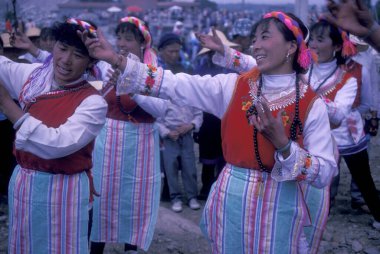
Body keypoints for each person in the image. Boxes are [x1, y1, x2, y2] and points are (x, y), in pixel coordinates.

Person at [80, 11, 337, 253]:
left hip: (281, 203)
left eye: (265, 37)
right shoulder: (232, 87)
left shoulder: (311, 105)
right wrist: (117, 60)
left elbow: (325, 172)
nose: (255, 45)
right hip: (232, 200)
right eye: (255, 38)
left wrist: (284, 145)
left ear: (291, 47)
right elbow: (175, 83)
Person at [0, 19, 108, 254]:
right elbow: (3, 66)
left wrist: (8, 106)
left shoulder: (93, 102)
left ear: (91, 61)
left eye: (78, 54)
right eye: (62, 48)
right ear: (53, 47)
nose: (66, 60)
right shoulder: (34, 77)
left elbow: (58, 144)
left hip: (64, 191)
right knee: (24, 244)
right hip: (25, 184)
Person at [89, 16, 166, 254]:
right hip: (109, 142)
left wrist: (129, 83)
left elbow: (160, 109)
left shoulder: (154, 71)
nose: (121, 43)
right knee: (103, 197)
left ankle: (131, 247)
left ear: (142, 43)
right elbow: (96, 102)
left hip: (140, 144)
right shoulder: (106, 66)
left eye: (128, 39)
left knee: (135, 199)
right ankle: (95, 247)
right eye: (119, 37)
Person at [308, 19, 380, 230]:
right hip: (317, 134)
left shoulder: (355, 71)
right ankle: (316, 212)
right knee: (317, 177)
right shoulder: (305, 69)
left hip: (348, 135)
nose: (313, 44)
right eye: (311, 39)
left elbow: (366, 103)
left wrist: (351, 116)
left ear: (338, 46)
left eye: (320, 40)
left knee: (363, 178)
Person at [156, 32, 203, 212]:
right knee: (171, 167)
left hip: (187, 132)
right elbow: (156, 115)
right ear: (161, 51)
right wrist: (167, 132)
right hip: (170, 134)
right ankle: (175, 197)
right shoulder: (158, 74)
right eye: (171, 51)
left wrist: (190, 125)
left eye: (177, 51)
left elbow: (198, 111)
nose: (175, 55)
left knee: (190, 166)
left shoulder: (187, 73)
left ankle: (191, 196)